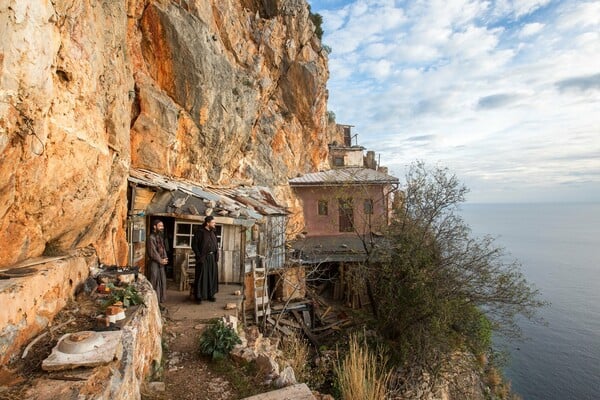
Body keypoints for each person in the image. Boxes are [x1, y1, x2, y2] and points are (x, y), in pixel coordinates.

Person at [192, 215, 219, 304]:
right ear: (207, 223)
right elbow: (194, 245)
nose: (215, 224)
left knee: (211, 276)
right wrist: (199, 256)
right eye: (213, 222)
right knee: (201, 277)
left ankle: (210, 295)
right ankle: (199, 297)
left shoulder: (213, 232)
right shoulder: (200, 232)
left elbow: (215, 245)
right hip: (203, 258)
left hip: (212, 257)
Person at [147, 219, 168, 305]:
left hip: (161, 263)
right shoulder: (150, 238)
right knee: (154, 281)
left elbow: (163, 248)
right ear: (154, 227)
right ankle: (154, 303)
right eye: (160, 226)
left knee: (162, 281)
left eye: (162, 226)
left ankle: (160, 301)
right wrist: (160, 260)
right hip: (154, 263)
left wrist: (165, 258)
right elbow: (153, 252)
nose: (162, 228)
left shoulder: (159, 237)